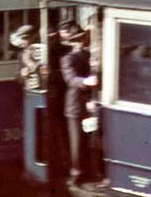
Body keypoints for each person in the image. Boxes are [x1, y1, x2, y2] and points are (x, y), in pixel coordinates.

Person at [60, 25, 98, 186]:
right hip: (75, 105)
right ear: (71, 43)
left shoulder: (89, 55)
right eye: (76, 40)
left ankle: (90, 170)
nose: (80, 43)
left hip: (88, 104)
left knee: (90, 139)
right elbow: (70, 79)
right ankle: (76, 172)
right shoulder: (67, 59)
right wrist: (85, 82)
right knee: (76, 142)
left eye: (81, 39)